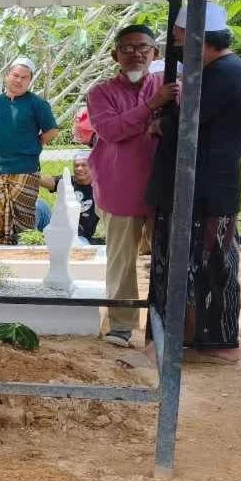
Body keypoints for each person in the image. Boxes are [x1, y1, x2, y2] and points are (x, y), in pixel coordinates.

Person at [148, 2, 241, 365]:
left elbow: (183, 124)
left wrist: (162, 123)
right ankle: (194, 337)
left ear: (199, 39)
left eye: (180, 39)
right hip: (200, 189)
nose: (177, 46)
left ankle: (220, 344)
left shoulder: (224, 73)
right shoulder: (219, 71)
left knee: (213, 265)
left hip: (208, 192)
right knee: (196, 265)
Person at [87, 24, 178, 348]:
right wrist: (151, 108)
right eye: (127, 48)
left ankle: (165, 324)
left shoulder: (170, 87)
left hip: (163, 191)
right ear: (115, 55)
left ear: (155, 53)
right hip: (120, 190)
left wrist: (160, 116)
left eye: (143, 47)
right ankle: (121, 327)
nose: (136, 53)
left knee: (167, 260)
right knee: (122, 262)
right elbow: (112, 130)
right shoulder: (101, 92)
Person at [0, 57, 59, 245]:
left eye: (24, 77)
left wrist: (37, 143)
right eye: (15, 75)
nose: (18, 80)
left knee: (23, 225)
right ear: (7, 76)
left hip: (25, 169)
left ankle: (25, 262)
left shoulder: (37, 103)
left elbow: (52, 130)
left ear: (30, 80)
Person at [34, 151, 97, 243]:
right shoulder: (68, 181)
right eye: (76, 165)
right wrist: (30, 171)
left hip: (79, 236)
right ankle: (24, 240)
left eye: (84, 165)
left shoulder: (98, 187)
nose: (79, 168)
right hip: (56, 228)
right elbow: (50, 182)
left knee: (79, 248)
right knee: (39, 205)